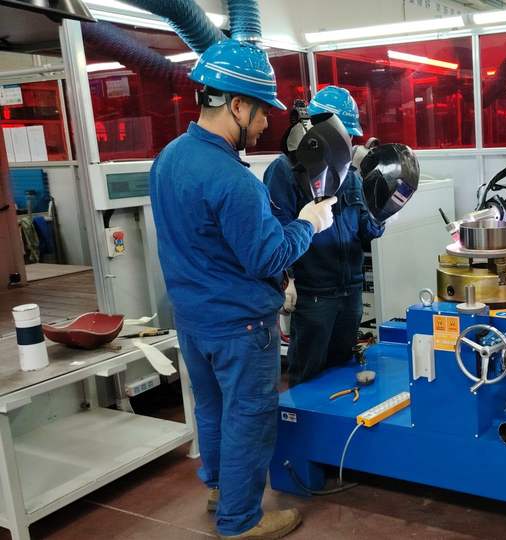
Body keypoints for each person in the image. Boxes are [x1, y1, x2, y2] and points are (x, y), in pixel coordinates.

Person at [149, 39, 337, 540]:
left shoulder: (169, 158)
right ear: (236, 104)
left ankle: (219, 489)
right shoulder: (234, 180)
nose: (264, 125)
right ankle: (240, 520)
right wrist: (309, 222)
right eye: (261, 112)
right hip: (240, 325)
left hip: (193, 320)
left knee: (212, 409)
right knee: (248, 418)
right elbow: (268, 257)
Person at [265, 86, 385, 387]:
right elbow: (277, 232)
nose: (349, 145)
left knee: (342, 374)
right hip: (314, 295)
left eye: (351, 138)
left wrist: (383, 213)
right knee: (308, 377)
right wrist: (286, 279)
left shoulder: (351, 177)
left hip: (350, 292)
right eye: (345, 136)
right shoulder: (285, 171)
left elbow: (366, 233)